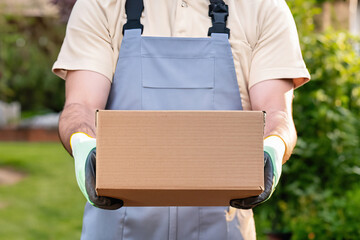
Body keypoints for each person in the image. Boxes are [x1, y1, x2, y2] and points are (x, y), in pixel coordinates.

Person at [53, 0, 310, 239]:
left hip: (224, 226)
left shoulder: (262, 7)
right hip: (117, 225)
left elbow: (276, 114)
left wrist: (274, 148)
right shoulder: (100, 5)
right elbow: (81, 105)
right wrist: (83, 143)